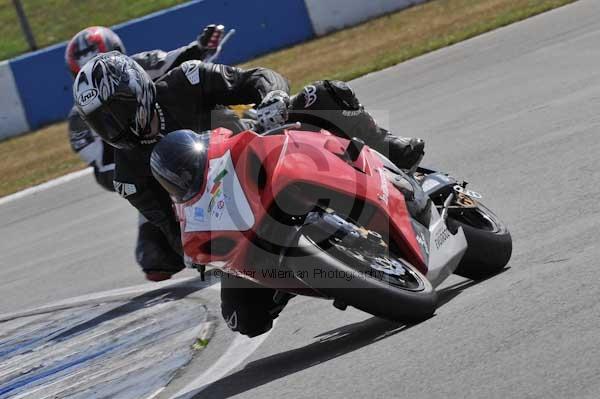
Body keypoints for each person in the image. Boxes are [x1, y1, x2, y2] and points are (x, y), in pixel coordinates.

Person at [73, 53, 424, 337]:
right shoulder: (128, 175)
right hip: (229, 215)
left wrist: (270, 97)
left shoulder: (185, 80)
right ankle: (296, 274)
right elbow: (167, 225)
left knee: (323, 93)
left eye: (116, 111)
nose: (114, 126)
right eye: (101, 122)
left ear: (137, 89)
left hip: (261, 151)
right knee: (244, 320)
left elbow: (255, 77)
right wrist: (196, 256)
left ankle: (386, 149)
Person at [65, 25, 229, 281]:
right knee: (156, 260)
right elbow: (104, 167)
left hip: (188, 129)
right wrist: (142, 171)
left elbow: (181, 59)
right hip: (142, 160)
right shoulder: (82, 116)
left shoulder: (138, 66)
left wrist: (201, 47)